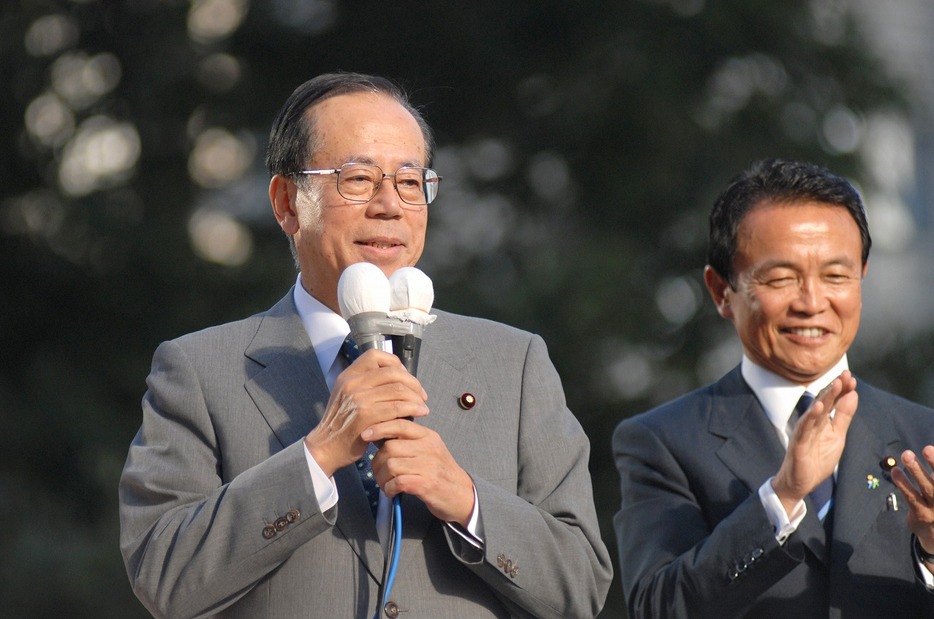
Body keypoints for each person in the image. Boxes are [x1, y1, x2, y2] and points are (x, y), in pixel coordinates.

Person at [119, 72, 612, 619]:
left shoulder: (513, 362)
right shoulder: (199, 369)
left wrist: (467, 501)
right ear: (287, 203)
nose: (389, 205)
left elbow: (581, 588)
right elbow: (163, 577)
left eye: (409, 182)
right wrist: (319, 456)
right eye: (356, 179)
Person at [612, 158, 934, 618]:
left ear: (862, 276)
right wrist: (781, 496)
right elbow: (658, 608)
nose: (811, 302)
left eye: (835, 276)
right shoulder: (662, 443)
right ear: (722, 291)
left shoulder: (924, 434)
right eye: (781, 278)